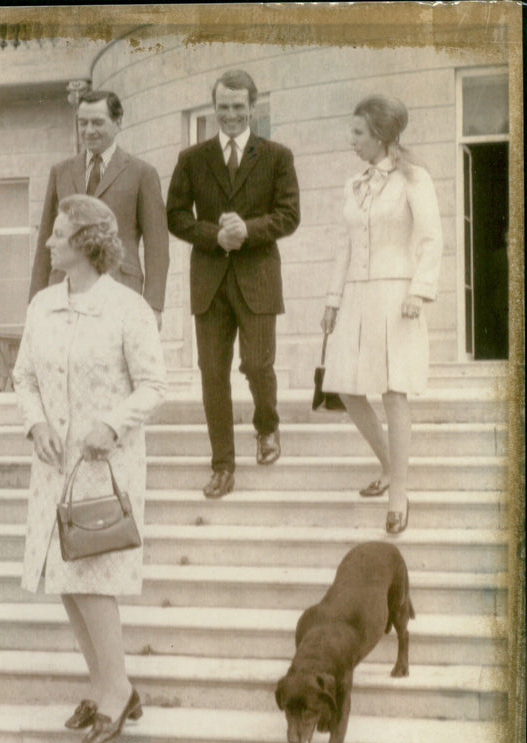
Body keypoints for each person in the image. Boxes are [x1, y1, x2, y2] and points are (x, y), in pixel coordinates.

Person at [14, 195, 167, 743]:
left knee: (92, 579)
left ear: (86, 243)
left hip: (105, 464)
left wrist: (112, 424)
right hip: (54, 464)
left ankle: (118, 689)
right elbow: (23, 378)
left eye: (58, 234)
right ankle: (103, 684)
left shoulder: (128, 308)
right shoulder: (42, 305)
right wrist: (35, 424)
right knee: (65, 580)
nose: (49, 242)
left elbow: (153, 385)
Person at [167, 69, 300, 499]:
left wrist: (248, 230)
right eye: (222, 107)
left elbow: (289, 215)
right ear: (214, 107)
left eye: (238, 107)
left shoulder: (277, 156)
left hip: (258, 279)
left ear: (253, 107)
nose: (230, 115)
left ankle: (267, 424)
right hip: (209, 282)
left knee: (257, 364)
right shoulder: (192, 158)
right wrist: (214, 236)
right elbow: (176, 216)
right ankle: (222, 465)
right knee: (212, 374)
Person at [321, 95, 443, 534]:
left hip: (397, 298)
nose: (350, 140)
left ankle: (398, 494)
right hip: (355, 297)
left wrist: (420, 291)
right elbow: (344, 245)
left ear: (380, 135)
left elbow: (431, 237)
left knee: (393, 392)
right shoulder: (353, 185)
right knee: (347, 388)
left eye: (358, 133)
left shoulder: (414, 178)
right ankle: (390, 465)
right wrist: (332, 301)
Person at [29, 89, 169, 325]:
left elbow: (157, 246)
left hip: (121, 287)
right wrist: (34, 302)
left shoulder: (142, 173)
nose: (89, 130)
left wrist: (154, 306)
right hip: (64, 289)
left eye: (97, 122)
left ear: (118, 123)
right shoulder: (60, 172)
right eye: (82, 123)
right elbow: (46, 238)